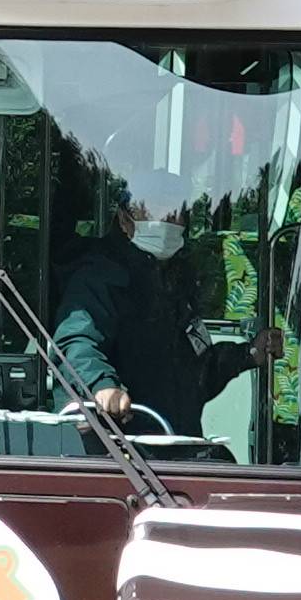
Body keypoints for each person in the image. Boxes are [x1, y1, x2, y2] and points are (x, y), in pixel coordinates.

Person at [50, 171, 238, 427]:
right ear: (124, 219)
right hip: (119, 450)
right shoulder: (98, 275)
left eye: (175, 213)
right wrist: (102, 386)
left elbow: (197, 376)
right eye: (154, 211)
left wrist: (248, 354)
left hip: (177, 446)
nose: (167, 221)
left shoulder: (179, 281)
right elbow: (76, 342)